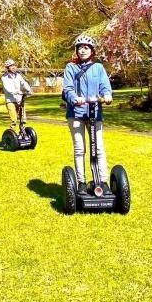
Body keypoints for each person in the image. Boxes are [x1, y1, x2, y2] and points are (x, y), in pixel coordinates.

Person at [62, 34, 113, 195]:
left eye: (86, 47)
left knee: (98, 148)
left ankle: (103, 182)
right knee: (79, 149)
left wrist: (107, 95)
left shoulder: (98, 68)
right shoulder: (71, 67)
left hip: (95, 113)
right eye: (80, 47)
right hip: (76, 113)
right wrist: (73, 98)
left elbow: (105, 86)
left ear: (92, 50)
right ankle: (82, 183)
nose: (82, 50)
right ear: (76, 50)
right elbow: (67, 88)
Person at [1, 59, 32, 128]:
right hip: (10, 100)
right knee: (14, 119)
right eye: (11, 66)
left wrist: (29, 90)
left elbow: (24, 83)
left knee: (23, 119)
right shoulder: (4, 77)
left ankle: (23, 132)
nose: (13, 67)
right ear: (7, 68)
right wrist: (17, 92)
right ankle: (12, 135)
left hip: (19, 99)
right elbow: (8, 88)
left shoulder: (18, 75)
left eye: (14, 65)